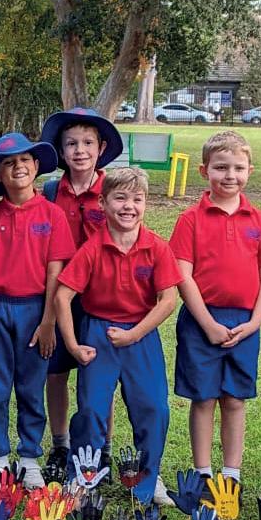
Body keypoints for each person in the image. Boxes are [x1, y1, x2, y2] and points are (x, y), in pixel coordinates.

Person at [55, 166, 178, 494]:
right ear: (103, 203)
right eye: (120, 198)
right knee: (91, 410)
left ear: (146, 203)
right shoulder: (92, 249)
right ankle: (83, 478)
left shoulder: (156, 247)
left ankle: (148, 480)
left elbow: (168, 300)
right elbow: (62, 296)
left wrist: (135, 334)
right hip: (99, 334)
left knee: (154, 407)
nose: (129, 206)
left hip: (141, 336)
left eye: (137, 199)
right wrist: (73, 345)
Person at [169, 131, 261, 490]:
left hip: (244, 322)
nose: (230, 175)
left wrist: (255, 323)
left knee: (234, 399)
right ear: (204, 171)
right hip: (201, 322)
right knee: (203, 399)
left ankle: (231, 476)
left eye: (238, 168)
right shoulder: (190, 219)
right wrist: (208, 323)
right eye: (220, 167)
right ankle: (202, 474)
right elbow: (183, 275)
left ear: (250, 171)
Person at [0, 132, 71, 484]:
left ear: (36, 166)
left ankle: (29, 457)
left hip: (35, 310)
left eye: (24, 160)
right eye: (8, 163)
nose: (18, 167)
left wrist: (48, 322)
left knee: (31, 386)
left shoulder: (53, 215)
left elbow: (55, 271)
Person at [38, 105, 122, 476]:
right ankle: (60, 445)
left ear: (101, 148)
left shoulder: (114, 192)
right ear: (61, 149)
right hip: (59, 297)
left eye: (88, 142)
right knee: (55, 372)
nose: (80, 150)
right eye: (71, 143)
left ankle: (101, 448)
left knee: (99, 378)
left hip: (100, 300)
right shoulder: (50, 191)